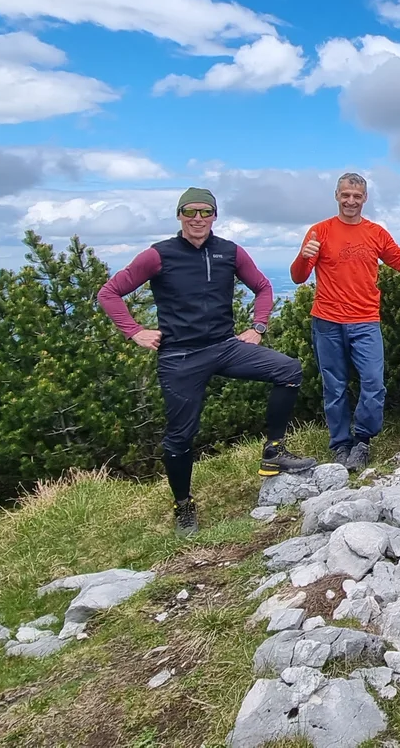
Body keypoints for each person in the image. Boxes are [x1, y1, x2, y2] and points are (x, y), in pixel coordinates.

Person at [97, 187, 314, 538]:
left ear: (214, 216)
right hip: (180, 355)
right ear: (179, 215)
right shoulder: (158, 255)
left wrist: (258, 327)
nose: (197, 218)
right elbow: (109, 293)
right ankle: (183, 505)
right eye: (190, 211)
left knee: (288, 370)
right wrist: (134, 331)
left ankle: (274, 451)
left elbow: (263, 287)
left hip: (225, 346)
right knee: (180, 436)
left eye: (205, 212)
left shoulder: (230, 251)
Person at [290, 172, 400, 472]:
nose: (351, 201)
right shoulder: (319, 231)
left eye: (356, 196)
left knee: (373, 383)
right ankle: (340, 445)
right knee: (334, 387)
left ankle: (362, 441)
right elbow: (298, 277)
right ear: (336, 195)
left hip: (365, 320)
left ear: (365, 198)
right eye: (346, 195)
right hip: (327, 321)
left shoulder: (375, 232)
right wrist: (305, 256)